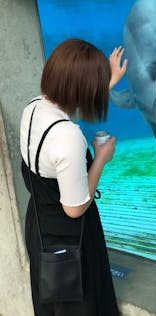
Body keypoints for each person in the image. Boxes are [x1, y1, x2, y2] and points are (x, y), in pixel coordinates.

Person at [20, 38, 127, 316]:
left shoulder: (33, 107)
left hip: (39, 228)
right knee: (77, 307)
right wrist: (101, 158)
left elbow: (71, 102)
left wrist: (109, 82)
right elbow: (75, 207)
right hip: (68, 242)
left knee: (51, 305)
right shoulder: (68, 136)